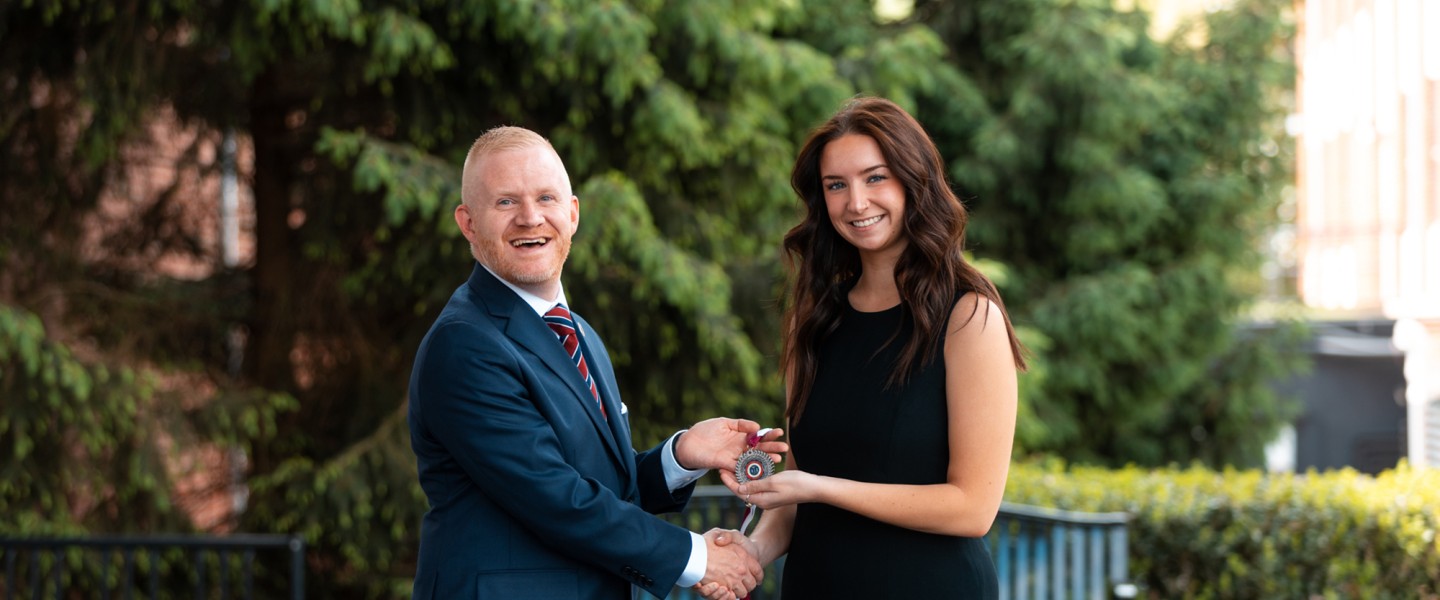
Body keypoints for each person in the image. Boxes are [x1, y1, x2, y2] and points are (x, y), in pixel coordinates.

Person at [407, 125, 786, 600]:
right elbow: (553, 497)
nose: (530, 217)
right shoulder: (463, 343)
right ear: (468, 222)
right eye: (505, 202)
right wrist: (699, 558)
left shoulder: (579, 333)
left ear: (573, 213)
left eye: (546, 198)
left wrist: (681, 456)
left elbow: (601, 487)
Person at [714, 97, 1028, 599]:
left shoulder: (968, 317)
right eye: (836, 185)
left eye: (875, 177)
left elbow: (973, 508)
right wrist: (752, 551)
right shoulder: (813, 318)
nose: (856, 202)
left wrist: (822, 488)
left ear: (913, 181)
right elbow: (797, 478)